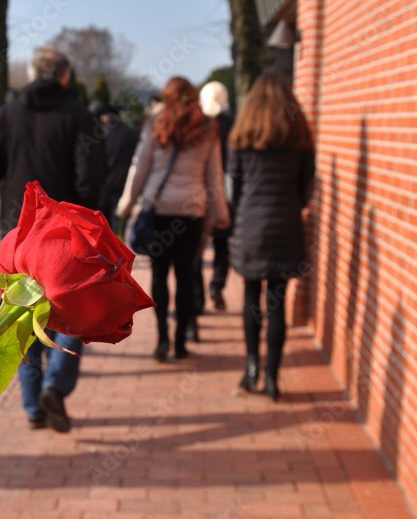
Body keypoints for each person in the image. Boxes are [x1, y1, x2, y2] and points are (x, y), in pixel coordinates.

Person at [0, 46, 105, 432]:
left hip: (18, 230)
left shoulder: (8, 114)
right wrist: (90, 221)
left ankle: (33, 405)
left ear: (32, 74)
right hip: (66, 231)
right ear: (66, 77)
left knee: (24, 312)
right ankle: (56, 382)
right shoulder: (79, 117)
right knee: (73, 306)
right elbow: (91, 178)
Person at [117, 77, 229, 362]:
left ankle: (162, 338)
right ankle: (180, 341)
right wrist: (220, 213)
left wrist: (127, 204)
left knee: (159, 275)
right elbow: (214, 174)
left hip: (159, 210)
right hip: (191, 213)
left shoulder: (157, 123)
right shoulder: (207, 128)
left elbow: (140, 168)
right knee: (185, 275)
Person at [228, 72, 315, 401]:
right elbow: (306, 190)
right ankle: (272, 379)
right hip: (285, 226)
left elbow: (234, 188)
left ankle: (251, 369)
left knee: (251, 296)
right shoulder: (299, 135)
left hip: (251, 225)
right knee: (276, 303)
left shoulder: (243, 135)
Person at [199, 81, 235, 311]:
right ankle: (217, 285)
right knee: (222, 244)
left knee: (196, 248)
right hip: (225, 191)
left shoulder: (198, 125)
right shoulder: (232, 124)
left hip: (200, 190)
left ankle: (197, 299)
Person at [94, 103, 139, 227]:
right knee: (116, 225)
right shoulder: (131, 134)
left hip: (102, 187)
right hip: (122, 184)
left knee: (99, 224)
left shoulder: (98, 136)